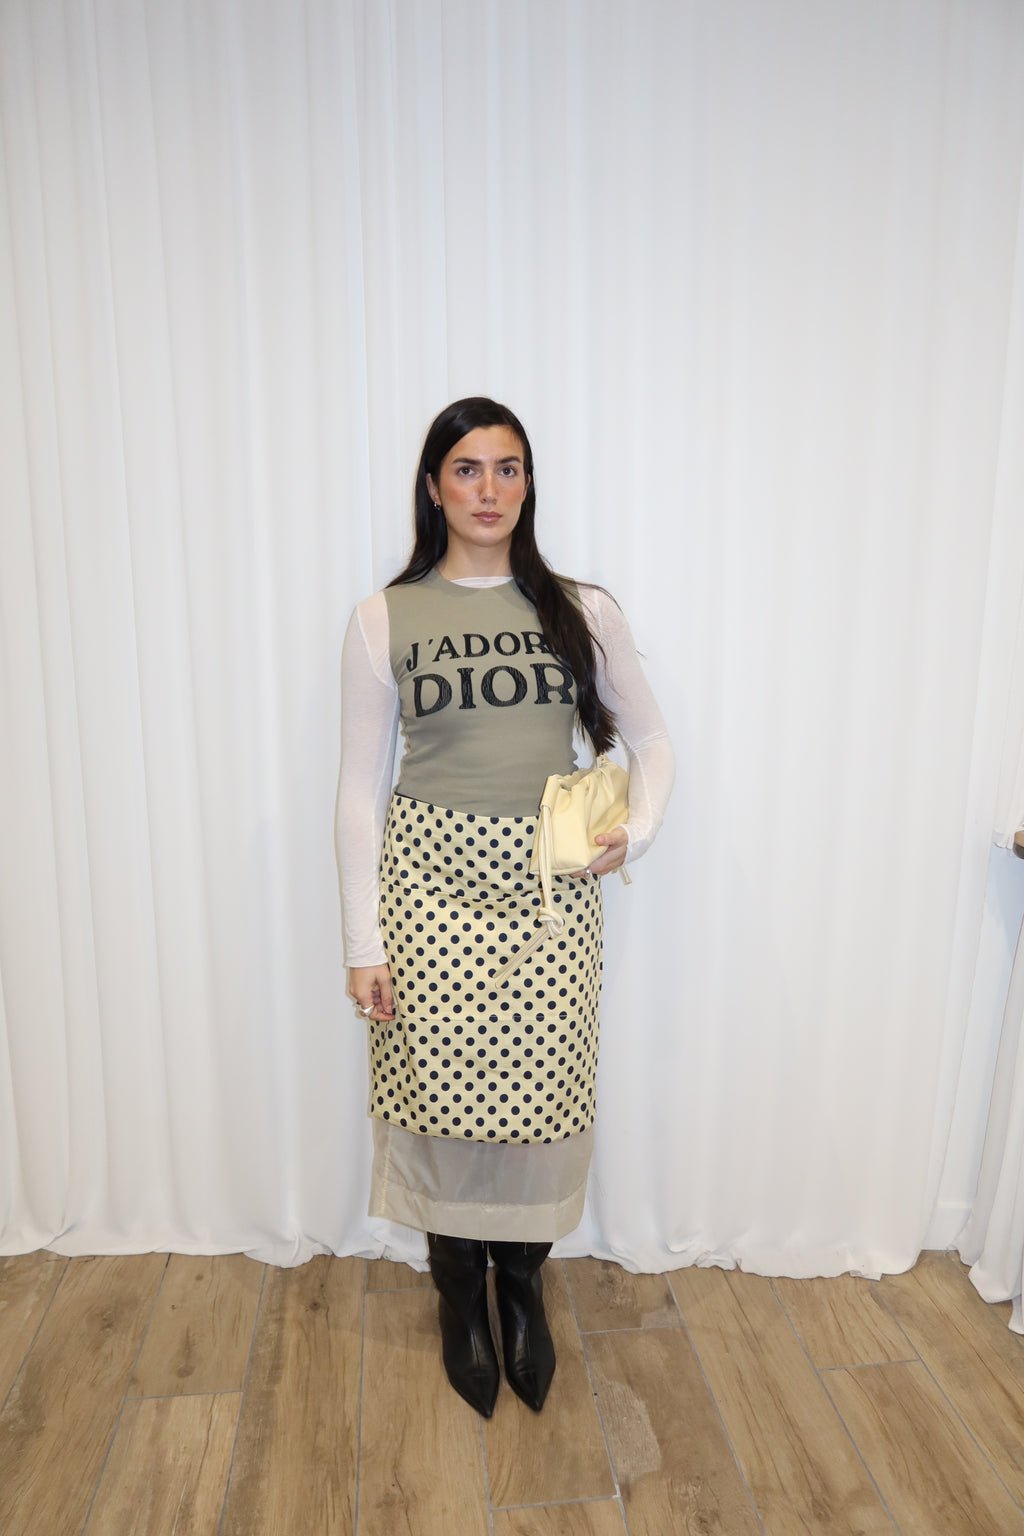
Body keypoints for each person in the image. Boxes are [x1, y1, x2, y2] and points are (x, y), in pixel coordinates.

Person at [337, 397, 673, 1416]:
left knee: (542, 1093)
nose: (490, 490)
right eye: (468, 469)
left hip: (547, 894)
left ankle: (521, 1287)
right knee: (437, 1094)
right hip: (427, 890)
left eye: (509, 468)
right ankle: (457, 1291)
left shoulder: (582, 609)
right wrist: (363, 942)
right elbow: (358, 790)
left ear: (529, 484)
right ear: (434, 486)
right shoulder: (384, 618)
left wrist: (637, 832)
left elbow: (652, 740)